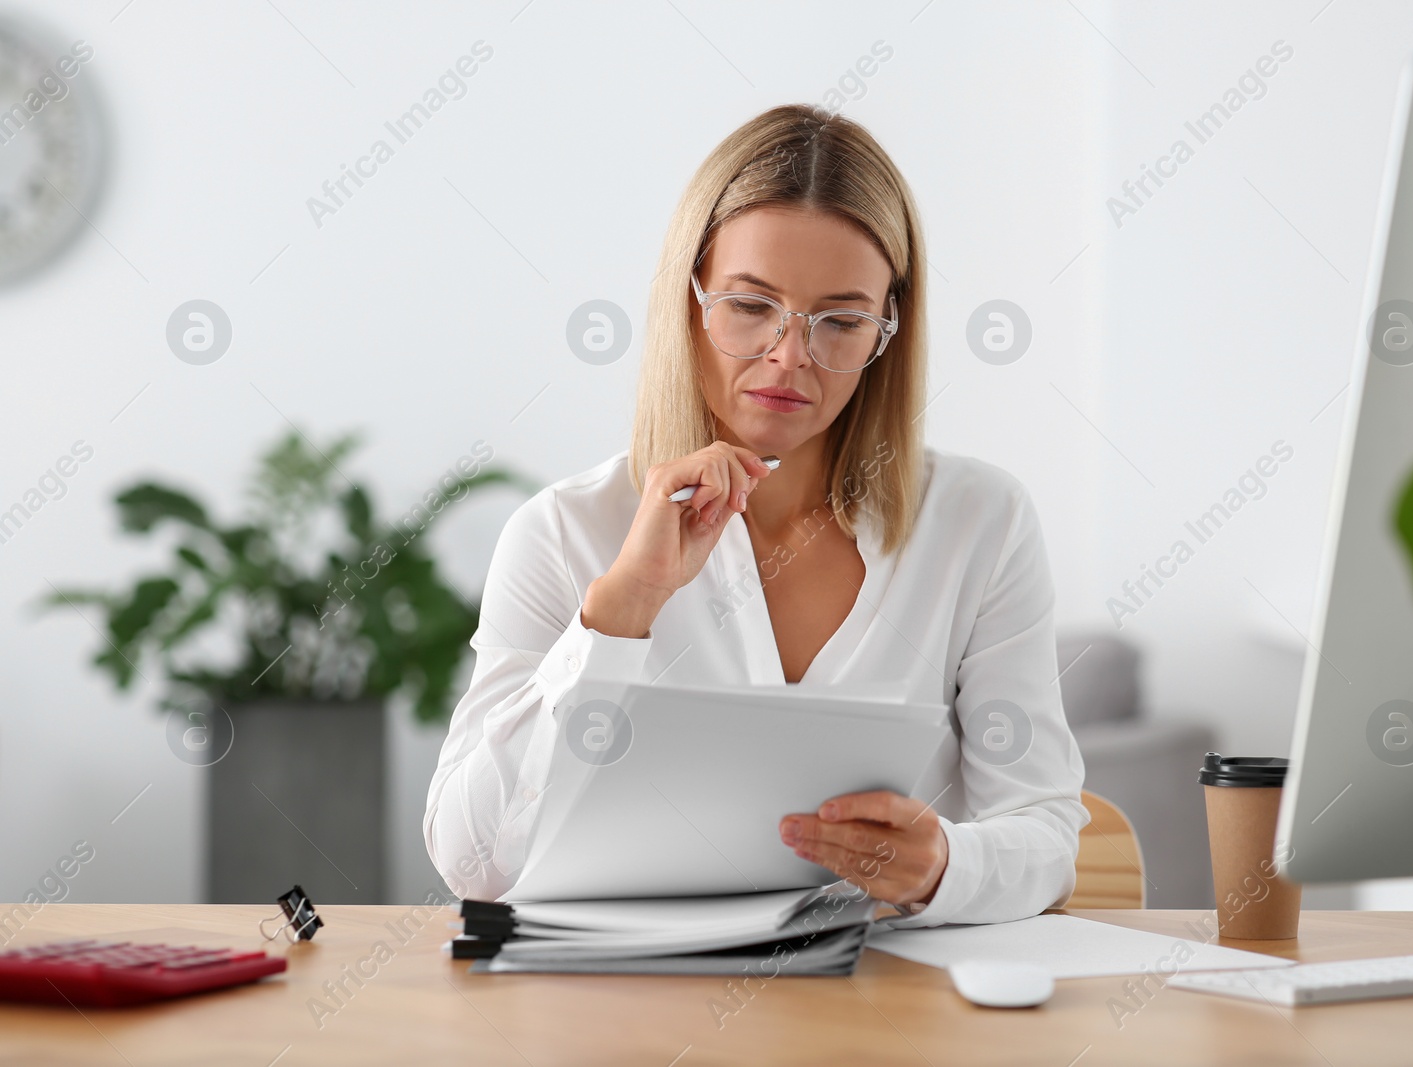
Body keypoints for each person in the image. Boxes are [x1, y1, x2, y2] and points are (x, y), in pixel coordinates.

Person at [424, 103, 1088, 926]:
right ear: (688, 300)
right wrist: (621, 609)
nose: (789, 355)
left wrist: (946, 863)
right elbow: (472, 860)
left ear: (889, 331)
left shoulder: (979, 522)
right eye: (748, 306)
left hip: (889, 1016)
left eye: (841, 322)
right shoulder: (564, 532)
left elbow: (1048, 833)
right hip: (627, 1016)